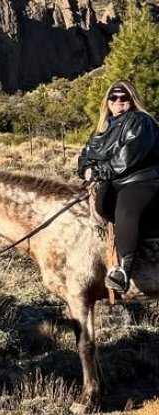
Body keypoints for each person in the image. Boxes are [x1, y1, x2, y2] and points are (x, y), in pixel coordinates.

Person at [78, 80, 159, 293]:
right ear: (107, 101)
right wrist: (86, 168)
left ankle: (123, 271)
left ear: (132, 100)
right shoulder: (102, 128)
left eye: (124, 97)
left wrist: (98, 172)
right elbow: (86, 155)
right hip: (111, 182)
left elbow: (128, 157)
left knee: (125, 208)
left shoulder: (141, 121)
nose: (118, 102)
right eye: (113, 97)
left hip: (141, 180)